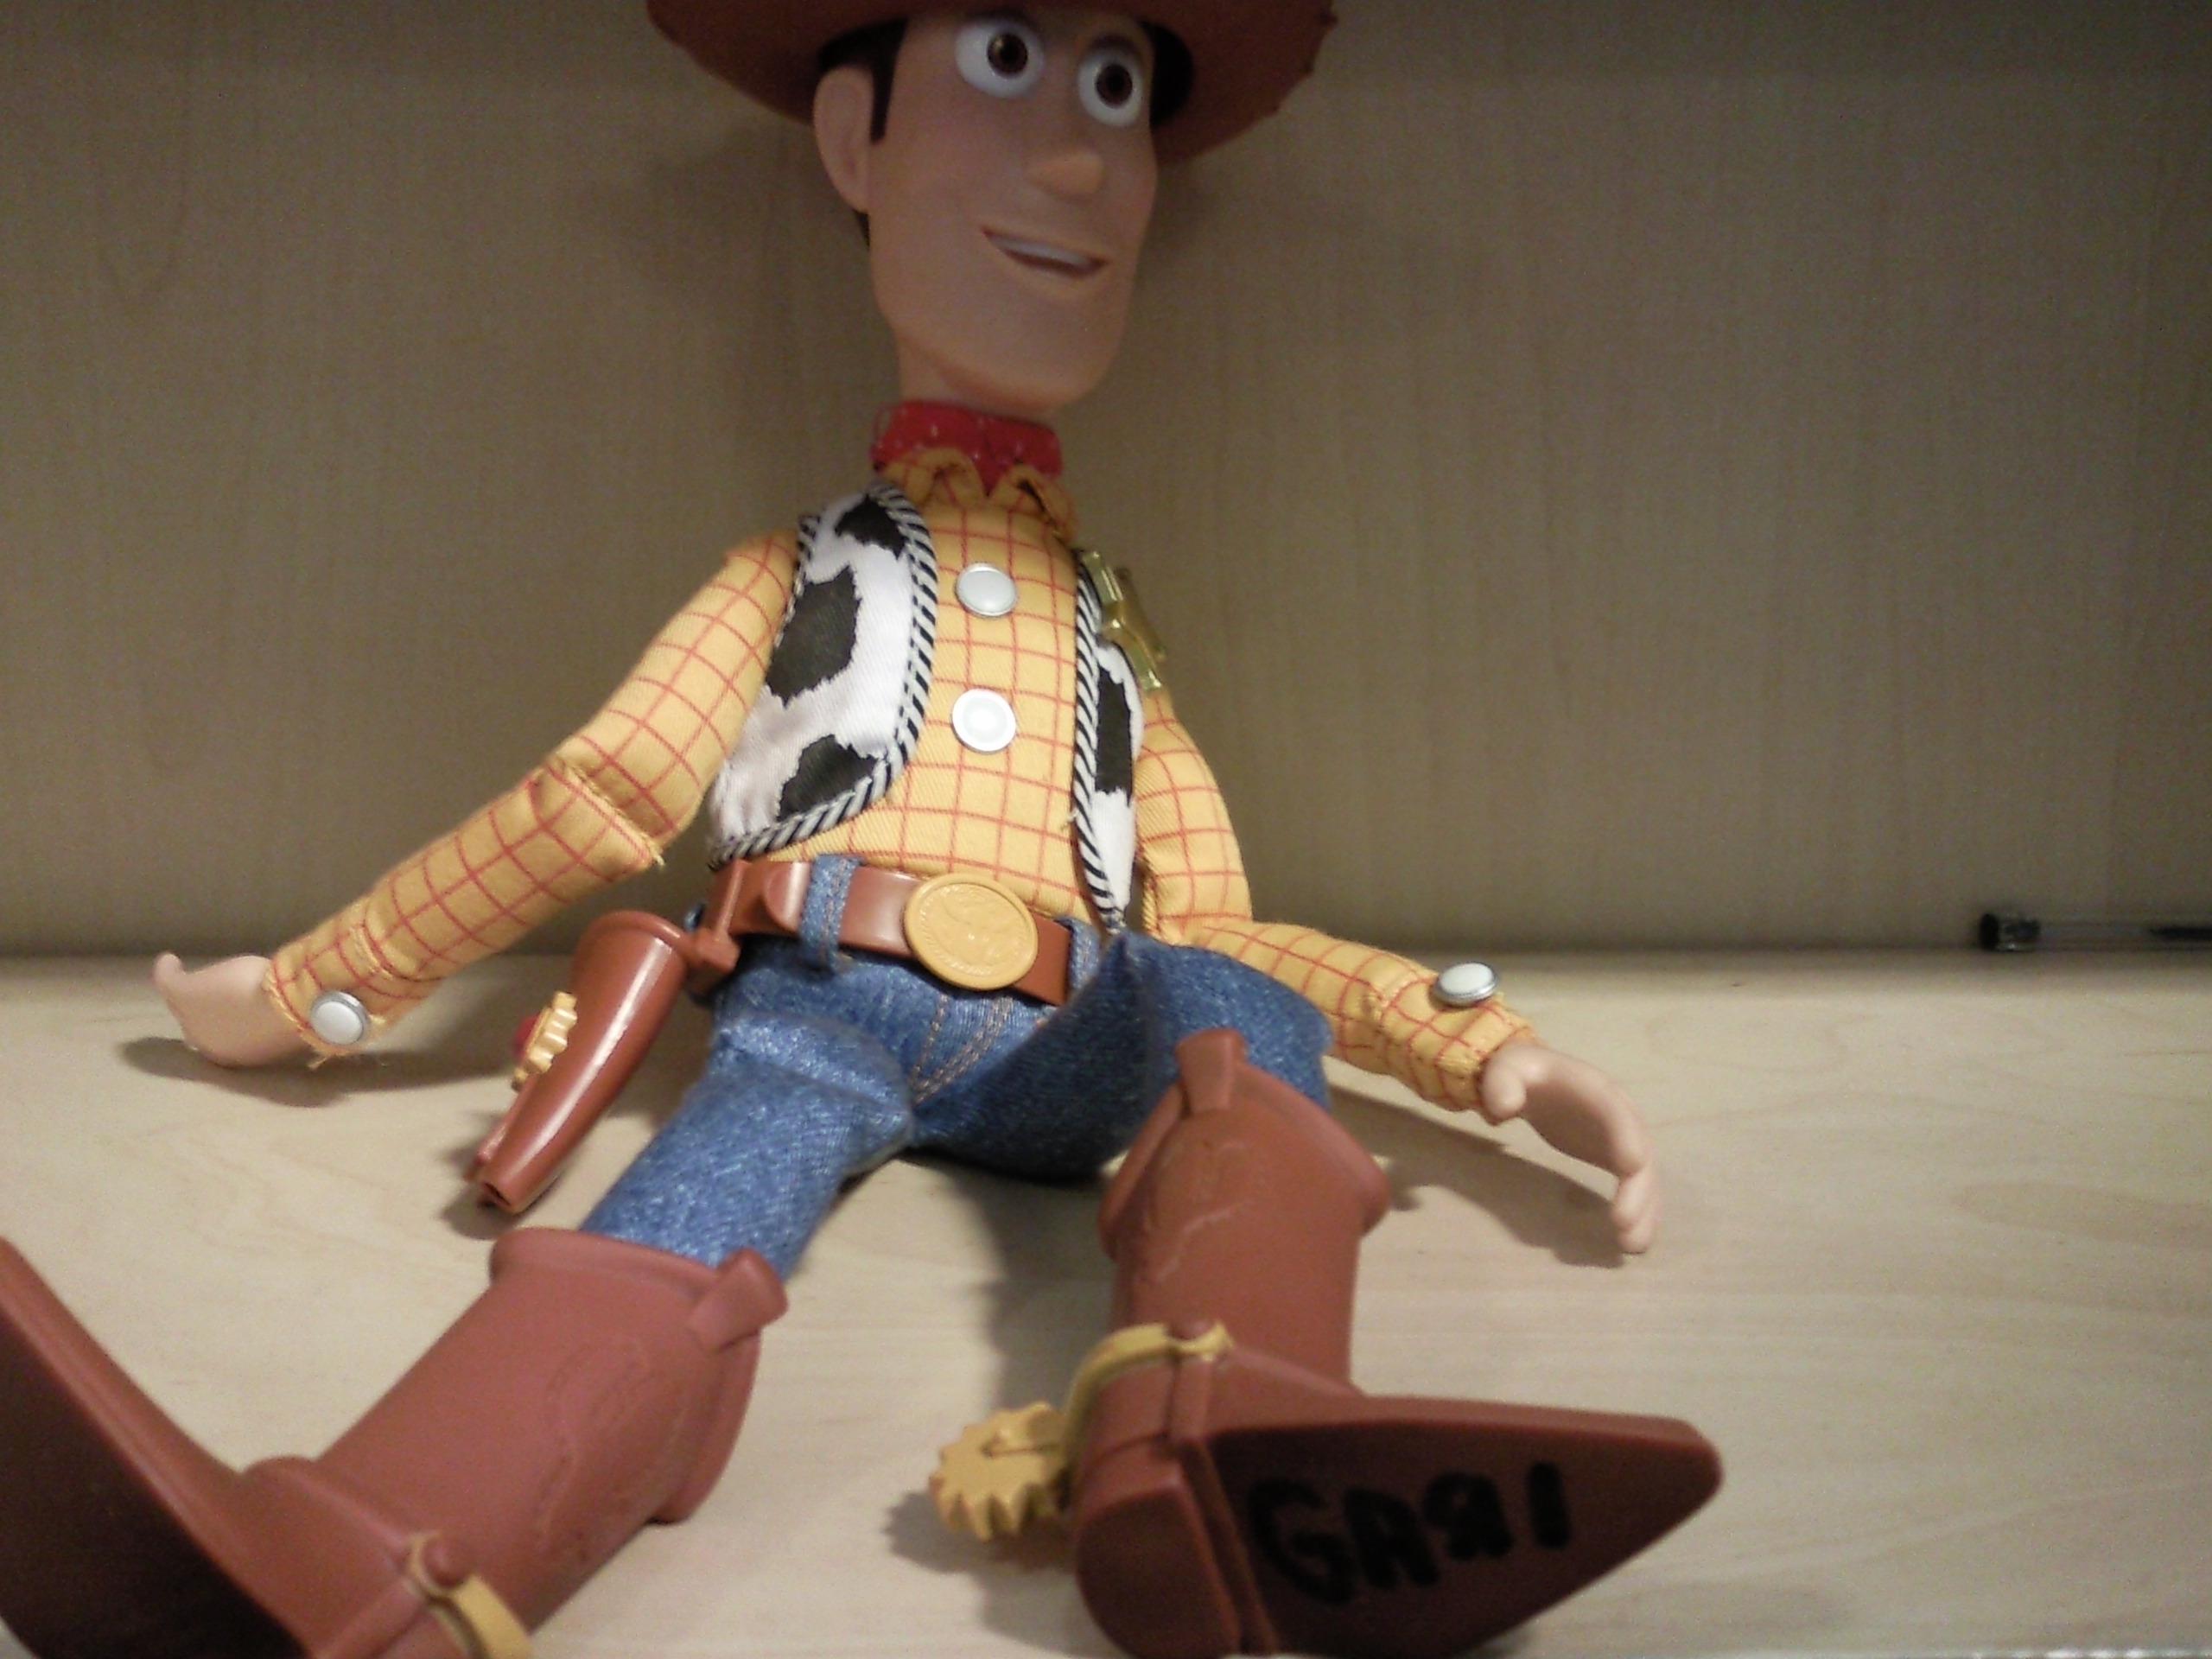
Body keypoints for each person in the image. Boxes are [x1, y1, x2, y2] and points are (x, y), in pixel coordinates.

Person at [0, 9, 1716, 1659]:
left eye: (1116, 89)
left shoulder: (1111, 639)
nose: (1077, 162)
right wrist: (318, 988)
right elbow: (607, 788)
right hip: (816, 1006)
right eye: (1003, 60)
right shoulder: (797, 570)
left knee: (1235, 1008)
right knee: (687, 1216)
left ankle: (1236, 1439)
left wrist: (1474, 1047)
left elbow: (1218, 938)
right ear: (851, 138)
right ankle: (374, 1572)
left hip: (1074, 1049)